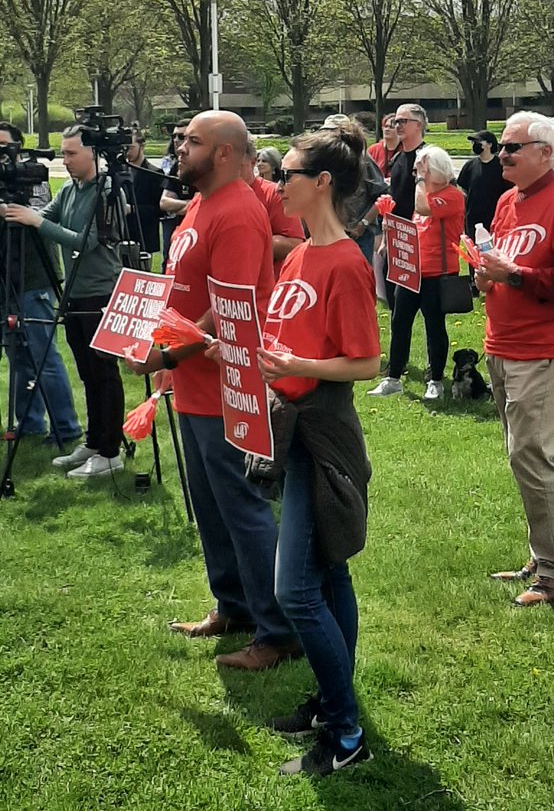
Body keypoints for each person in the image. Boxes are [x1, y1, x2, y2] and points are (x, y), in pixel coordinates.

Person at [125, 110, 300, 670]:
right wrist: (155, 345)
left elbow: (232, 309)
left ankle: (278, 631)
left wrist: (168, 351)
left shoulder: (240, 212)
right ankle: (234, 605)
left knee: (243, 508)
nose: (179, 148)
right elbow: (184, 290)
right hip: (195, 384)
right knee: (210, 507)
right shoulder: (199, 203)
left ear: (224, 152)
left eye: (191, 141)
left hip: (230, 387)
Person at [256, 121, 380, 777]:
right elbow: (282, 340)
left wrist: (297, 362)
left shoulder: (346, 264)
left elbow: (365, 362)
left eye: (289, 175)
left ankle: (345, 733)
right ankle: (332, 706)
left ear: (322, 183)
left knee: (296, 589)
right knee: (330, 573)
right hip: (290, 422)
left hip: (321, 431)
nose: (280, 184)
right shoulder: (299, 255)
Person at [3, 124, 126, 478]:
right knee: (87, 374)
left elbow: (83, 241)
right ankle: (93, 441)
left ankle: (110, 451)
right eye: (63, 154)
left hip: (99, 290)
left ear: (93, 154)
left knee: (104, 374)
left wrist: (34, 220)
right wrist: (16, 212)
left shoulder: (105, 191)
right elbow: (49, 217)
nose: (66, 160)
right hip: (74, 291)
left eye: (72, 153)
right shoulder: (72, 189)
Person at [476, 111, 554, 607]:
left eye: (512, 147)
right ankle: (541, 552)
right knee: (522, 456)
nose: (501, 154)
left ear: (546, 152)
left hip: (538, 349)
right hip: (500, 344)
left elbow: (531, 276)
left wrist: (517, 276)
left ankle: (550, 571)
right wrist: (487, 278)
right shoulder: (507, 200)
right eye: (502, 147)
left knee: (533, 455)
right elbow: (503, 267)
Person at [0, 121, 81, 443]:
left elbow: (36, 217)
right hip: (6, 279)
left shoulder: (31, 176)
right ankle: (31, 423)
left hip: (33, 278)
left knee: (42, 354)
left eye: (6, 148)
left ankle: (66, 427)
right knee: (17, 355)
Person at [371, 145, 465, 402]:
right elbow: (415, 229)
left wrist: (422, 180)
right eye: (415, 172)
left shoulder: (452, 195)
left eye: (420, 170)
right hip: (412, 272)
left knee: (434, 325)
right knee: (399, 321)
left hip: (438, 272)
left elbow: (423, 209)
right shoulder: (422, 197)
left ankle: (435, 379)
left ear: (437, 170)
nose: (415, 176)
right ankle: (393, 377)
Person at [322, 114, 386, 264]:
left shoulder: (363, 160)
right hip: (329, 234)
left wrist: (363, 224)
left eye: (334, 132)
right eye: (326, 132)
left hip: (359, 236)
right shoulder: (322, 160)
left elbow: (382, 196)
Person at [382, 103, 428, 310]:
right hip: (396, 236)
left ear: (418, 125)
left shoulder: (428, 156)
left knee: (427, 309)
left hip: (420, 238)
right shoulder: (398, 159)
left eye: (402, 121)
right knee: (394, 304)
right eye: (395, 121)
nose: (397, 125)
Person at [240, 134, 304, 277]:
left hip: (265, 287)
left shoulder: (273, 193)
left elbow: (294, 244)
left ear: (252, 162)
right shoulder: (211, 194)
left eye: (238, 165)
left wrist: (245, 239)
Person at [457, 129, 511, 290]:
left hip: (494, 216)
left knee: (493, 249)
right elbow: (463, 188)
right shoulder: (470, 165)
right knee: (473, 249)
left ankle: (495, 280)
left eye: (477, 142)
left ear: (488, 144)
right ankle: (475, 282)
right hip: (472, 216)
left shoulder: (499, 166)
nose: (474, 145)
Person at [123, 126, 164, 257]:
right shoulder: (120, 171)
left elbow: (159, 210)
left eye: (131, 147)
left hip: (144, 236)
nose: (127, 152)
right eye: (124, 148)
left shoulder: (155, 173)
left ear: (142, 145)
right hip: (122, 235)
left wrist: (132, 209)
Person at [159, 121, 192, 271]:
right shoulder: (176, 166)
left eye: (181, 136)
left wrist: (178, 205)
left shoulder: (203, 166)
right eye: (174, 136)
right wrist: (194, 204)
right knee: (169, 259)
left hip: (198, 230)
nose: (176, 140)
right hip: (176, 227)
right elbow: (164, 202)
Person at [368, 114, 402, 180]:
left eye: (391, 127)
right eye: (385, 126)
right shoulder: (373, 150)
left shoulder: (404, 150)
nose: (387, 129)